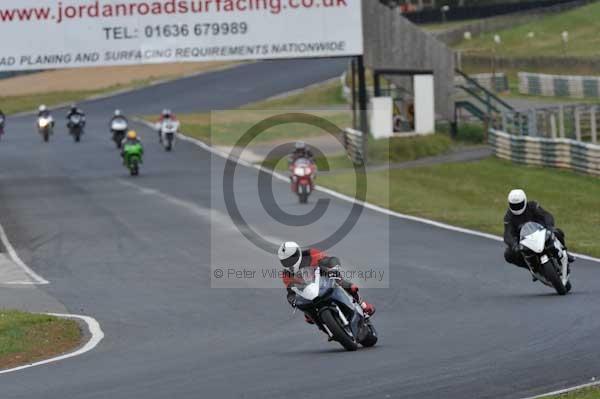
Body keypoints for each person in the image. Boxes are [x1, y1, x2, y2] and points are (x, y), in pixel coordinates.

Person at [278, 242, 375, 324]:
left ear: (298, 253)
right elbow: (291, 290)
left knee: (346, 285)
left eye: (291, 259)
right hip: (309, 293)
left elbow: (327, 260)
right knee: (308, 317)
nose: (289, 262)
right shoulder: (286, 274)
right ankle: (327, 328)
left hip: (324, 279)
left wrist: (332, 267)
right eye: (285, 261)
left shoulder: (310, 253)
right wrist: (293, 301)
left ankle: (363, 305)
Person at [503, 189, 574, 272]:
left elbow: (546, 215)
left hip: (541, 233)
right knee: (508, 255)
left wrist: (549, 226)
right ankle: (530, 268)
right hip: (524, 242)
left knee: (558, 232)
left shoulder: (532, 206)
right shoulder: (508, 216)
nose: (517, 207)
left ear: (525, 201)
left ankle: (564, 252)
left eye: (519, 204)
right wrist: (514, 245)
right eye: (514, 205)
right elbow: (507, 234)